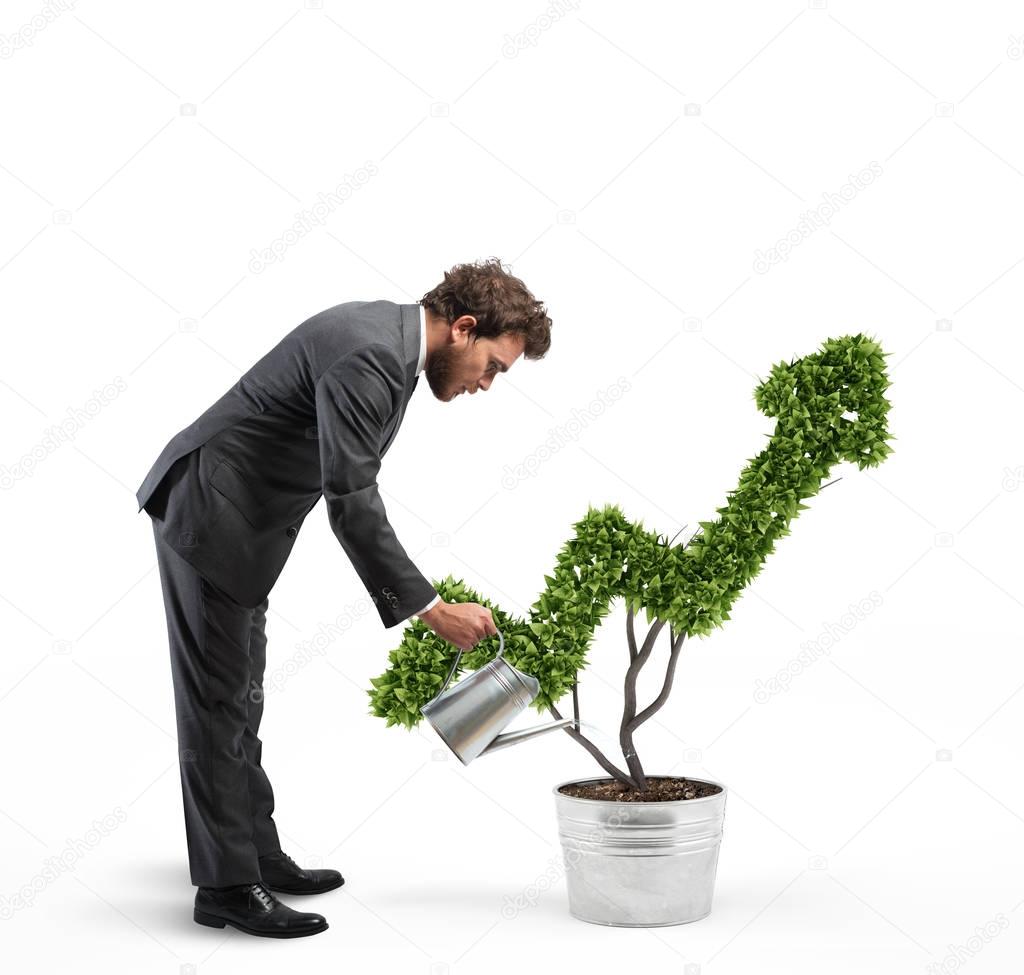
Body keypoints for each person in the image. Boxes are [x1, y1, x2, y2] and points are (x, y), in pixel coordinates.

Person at [137, 258, 552, 938]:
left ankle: (255, 855)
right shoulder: (372, 354)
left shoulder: (391, 346)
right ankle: (226, 888)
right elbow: (352, 499)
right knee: (215, 705)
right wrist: (431, 609)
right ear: (463, 327)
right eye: (493, 367)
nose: (486, 384)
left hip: (243, 526)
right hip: (209, 516)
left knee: (240, 697)